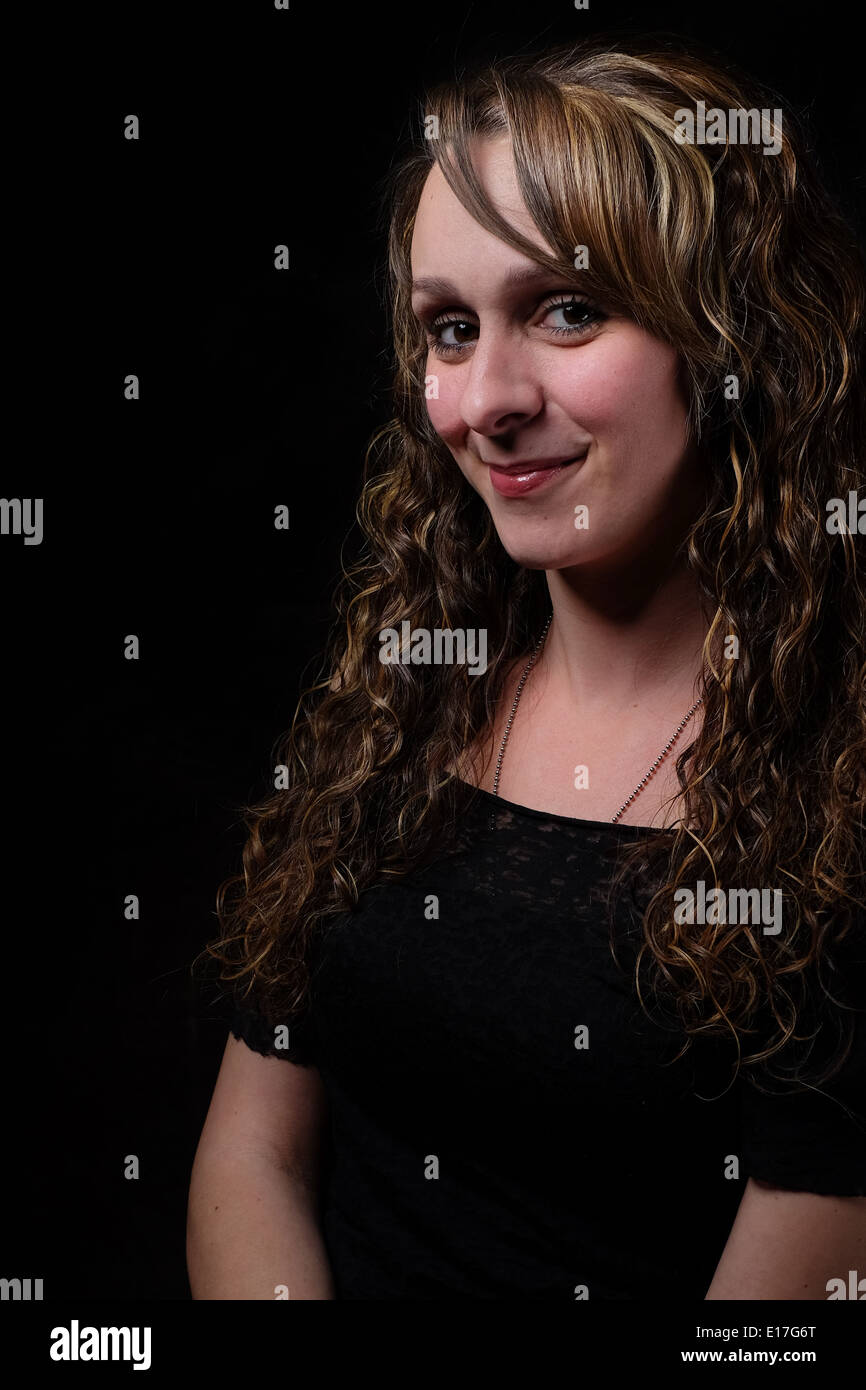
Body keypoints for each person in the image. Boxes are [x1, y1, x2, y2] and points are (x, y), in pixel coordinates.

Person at [186, 36, 866, 1300]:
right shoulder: (400, 694)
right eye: (449, 328)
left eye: (566, 307)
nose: (483, 399)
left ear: (734, 340)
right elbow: (252, 1153)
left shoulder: (835, 801)